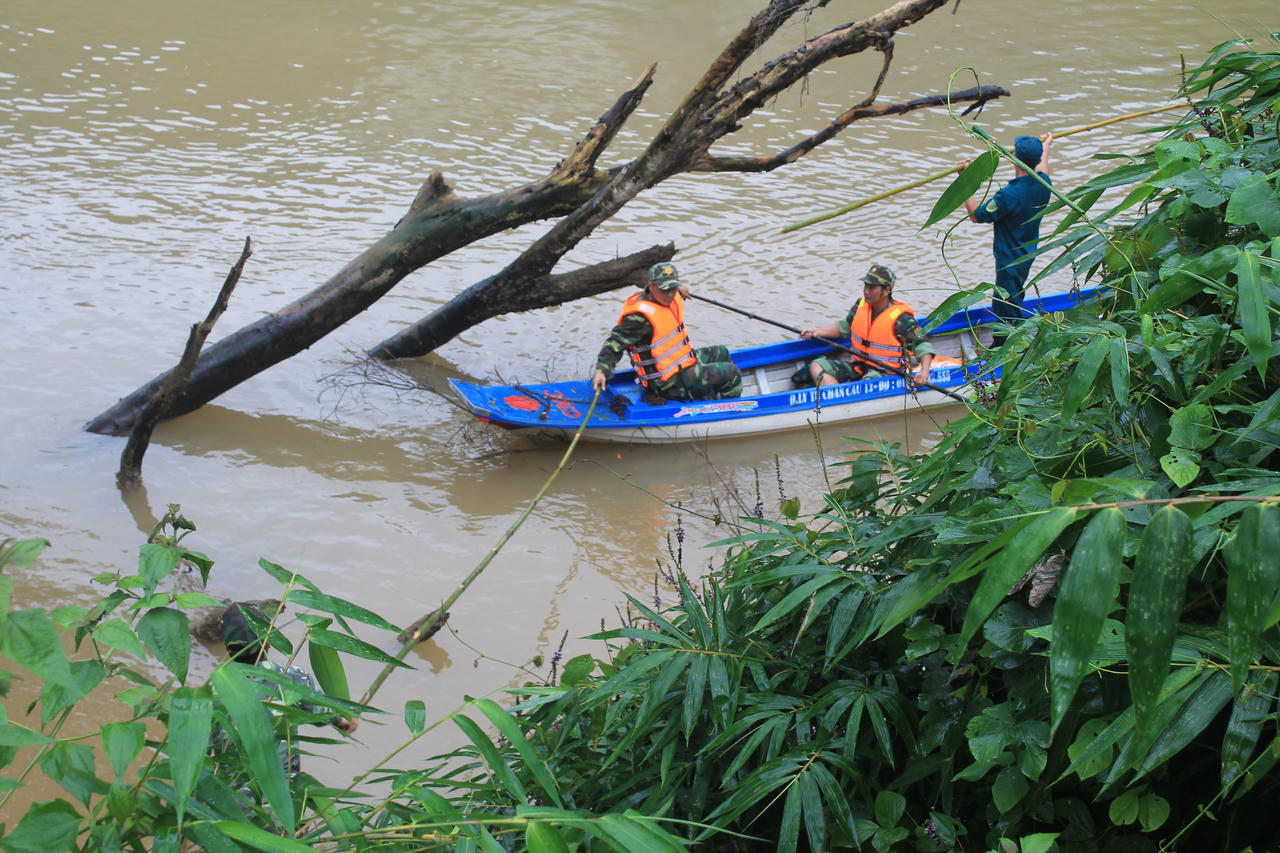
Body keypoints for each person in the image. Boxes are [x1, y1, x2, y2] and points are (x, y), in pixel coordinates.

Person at [210, 603, 357, 785]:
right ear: (268, 642)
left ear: (226, 645)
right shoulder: (289, 678)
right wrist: (343, 721)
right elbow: (321, 714)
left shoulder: (212, 689)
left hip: (231, 797)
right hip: (281, 794)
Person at [591, 262, 743, 401]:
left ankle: (711, 393)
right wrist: (601, 371)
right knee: (732, 373)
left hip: (682, 364)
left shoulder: (672, 295)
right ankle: (731, 411)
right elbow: (614, 344)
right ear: (651, 286)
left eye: (673, 288)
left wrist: (681, 289)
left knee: (721, 352)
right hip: (667, 383)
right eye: (665, 290)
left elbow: (673, 289)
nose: (670, 294)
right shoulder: (638, 318)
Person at [960, 133, 1053, 345]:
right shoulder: (1043, 184)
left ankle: (1010, 346)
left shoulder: (1008, 196)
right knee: (1012, 297)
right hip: (1027, 255)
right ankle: (1005, 341)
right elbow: (1043, 168)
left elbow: (975, 215)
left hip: (1008, 261)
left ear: (1014, 158)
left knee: (1005, 304)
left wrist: (964, 178)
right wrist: (1046, 146)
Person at [798, 263, 935, 388]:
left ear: (886, 290)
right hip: (857, 367)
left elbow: (923, 346)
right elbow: (844, 327)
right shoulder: (860, 305)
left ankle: (841, 402)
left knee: (867, 383)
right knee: (816, 366)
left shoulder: (902, 319)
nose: (866, 291)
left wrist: (924, 371)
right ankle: (837, 400)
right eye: (865, 286)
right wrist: (816, 332)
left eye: (872, 287)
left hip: (885, 373)